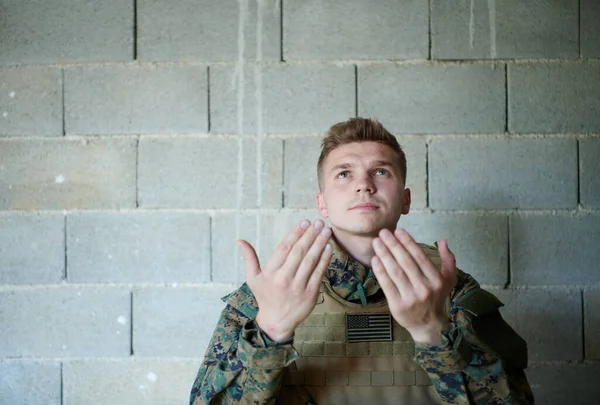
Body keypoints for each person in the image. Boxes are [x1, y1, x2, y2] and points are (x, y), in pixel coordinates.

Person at [189, 118, 534, 405]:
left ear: (405, 199)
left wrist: (435, 334)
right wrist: (271, 333)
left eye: (381, 172)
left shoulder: (451, 288)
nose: (364, 185)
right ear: (322, 204)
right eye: (344, 174)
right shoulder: (270, 292)